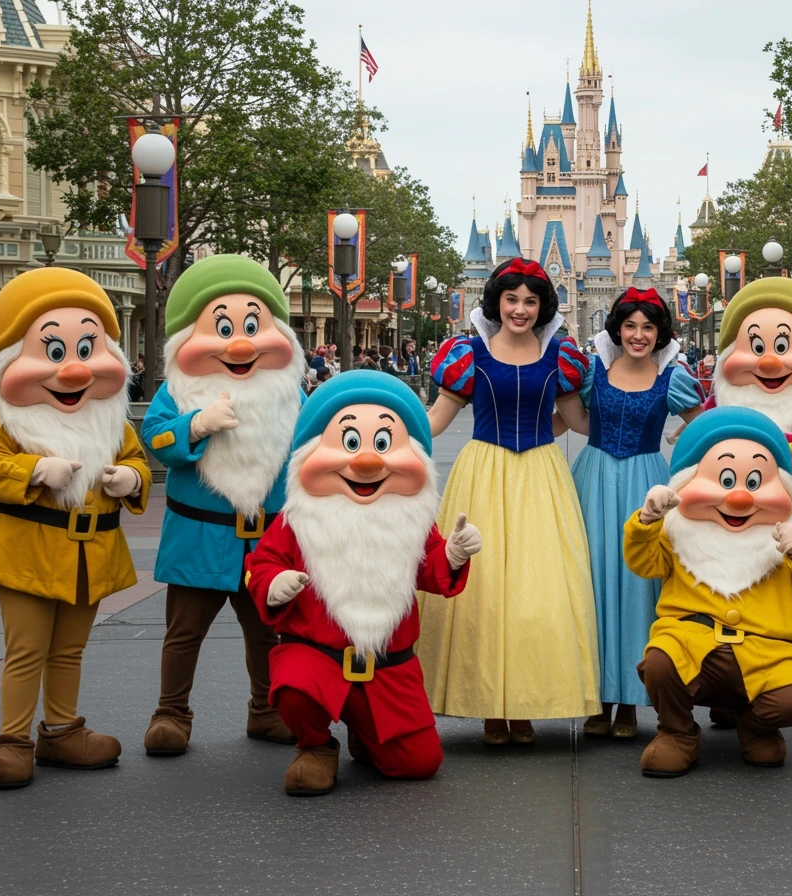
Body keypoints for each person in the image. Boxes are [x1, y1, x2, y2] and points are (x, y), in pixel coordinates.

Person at [245, 372, 481, 795]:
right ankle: (315, 746)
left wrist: (452, 555)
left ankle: (367, 731)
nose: (367, 461)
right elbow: (262, 561)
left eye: (385, 444)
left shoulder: (410, 517)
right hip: (317, 658)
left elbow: (429, 568)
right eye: (350, 442)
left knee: (420, 763)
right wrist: (274, 581)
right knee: (296, 687)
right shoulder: (299, 518)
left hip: (388, 669)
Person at [0, 268, 151, 788]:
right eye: (53, 353)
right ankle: (12, 741)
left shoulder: (110, 420)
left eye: (87, 348)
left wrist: (129, 478)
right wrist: (30, 470)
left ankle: (62, 731)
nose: (73, 370)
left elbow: (137, 462)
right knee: (26, 650)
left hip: (90, 551)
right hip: (26, 550)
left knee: (69, 649)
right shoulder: (7, 420)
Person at [418, 257, 600, 745]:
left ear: (543, 307)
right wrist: (389, 433)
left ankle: (523, 705)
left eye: (530, 301)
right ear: (497, 302)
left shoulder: (559, 358)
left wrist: (646, 409)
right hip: (484, 474)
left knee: (536, 591)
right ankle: (489, 709)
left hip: (541, 476)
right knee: (485, 591)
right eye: (512, 299)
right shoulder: (468, 355)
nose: (520, 309)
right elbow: (436, 418)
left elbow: (577, 420)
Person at [141, 255, 306, 757]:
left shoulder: (291, 395)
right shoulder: (177, 391)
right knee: (184, 631)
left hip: (267, 542)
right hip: (200, 536)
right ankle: (171, 712)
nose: (240, 343)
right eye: (224, 327)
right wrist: (194, 423)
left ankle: (266, 708)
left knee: (267, 634)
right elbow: (154, 438)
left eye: (254, 326)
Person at [626, 408, 792, 776]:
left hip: (766, 654)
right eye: (723, 479)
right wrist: (646, 521)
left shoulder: (786, 539)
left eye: (755, 481)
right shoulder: (680, 533)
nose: (739, 499)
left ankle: (753, 725)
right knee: (659, 663)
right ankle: (677, 734)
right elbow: (644, 564)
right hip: (692, 641)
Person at [701, 278, 792, 733]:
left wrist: (757, 451)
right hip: (737, 522)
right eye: (757, 345)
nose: (770, 360)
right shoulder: (721, 400)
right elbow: (705, 452)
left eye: (784, 344)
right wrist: (788, 447)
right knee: (738, 603)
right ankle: (737, 690)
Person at [563, 287, 704, 739]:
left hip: (648, 484)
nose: (638, 335)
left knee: (640, 588)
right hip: (595, 478)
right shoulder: (592, 373)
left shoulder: (674, 378)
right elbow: (568, 419)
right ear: (618, 329)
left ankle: (630, 700)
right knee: (595, 583)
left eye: (648, 327)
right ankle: (598, 697)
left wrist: (681, 453)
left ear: (660, 333)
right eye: (630, 326)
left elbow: (702, 423)